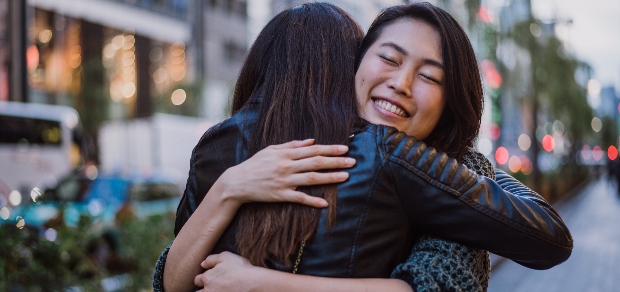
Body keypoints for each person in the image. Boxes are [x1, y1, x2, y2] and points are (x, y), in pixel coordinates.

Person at [155, 3, 572, 292]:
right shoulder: (377, 152)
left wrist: (472, 165)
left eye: (430, 77)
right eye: (389, 59)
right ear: (352, 65)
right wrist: (231, 186)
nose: (401, 83)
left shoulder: (220, 143)